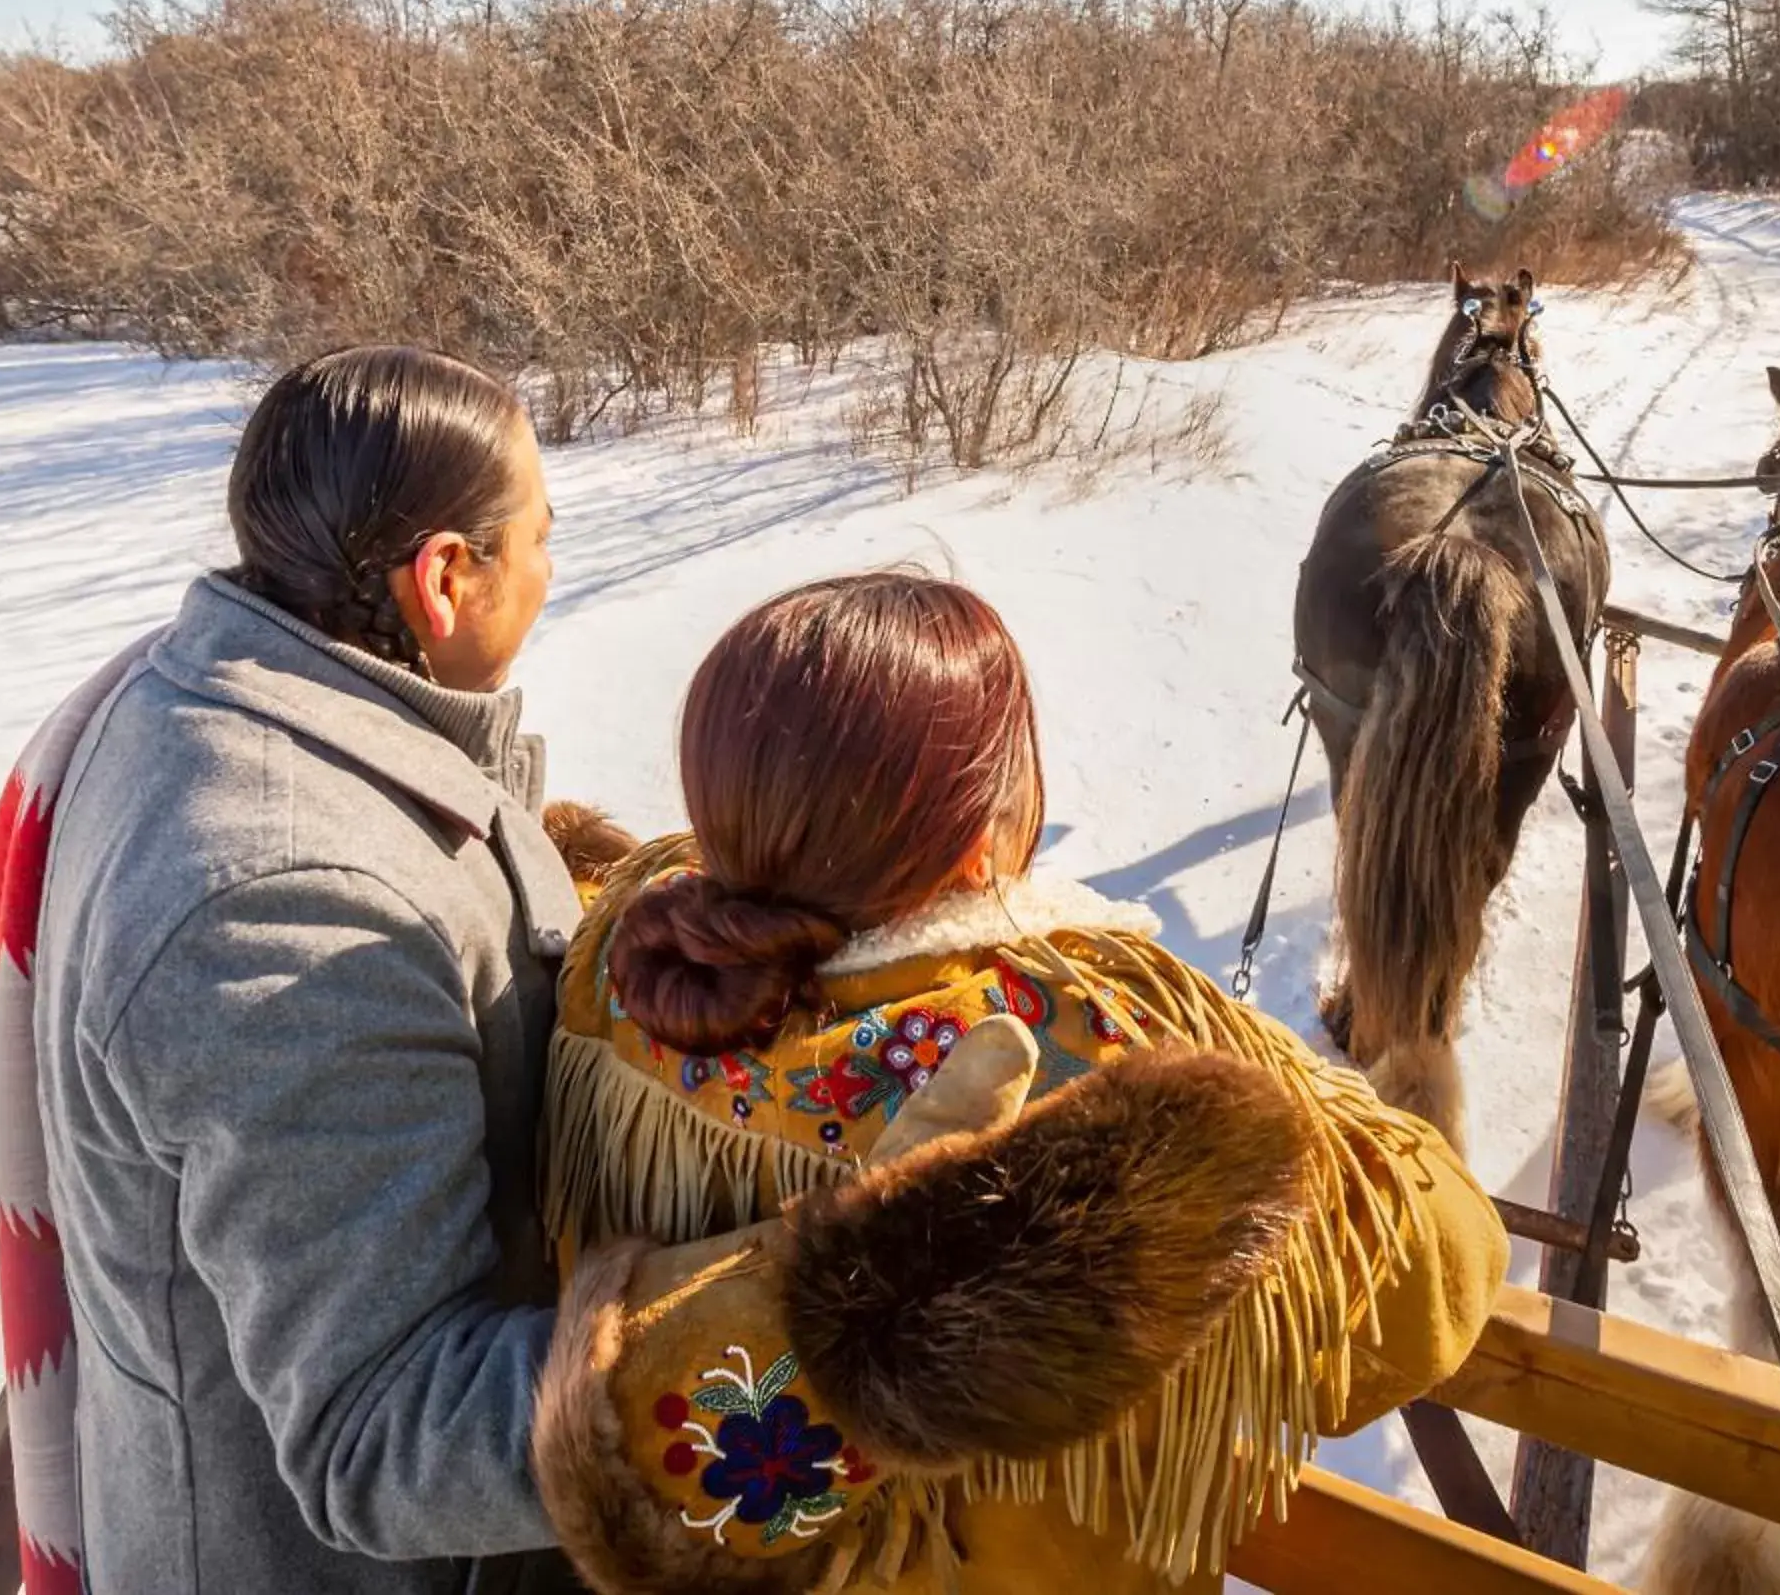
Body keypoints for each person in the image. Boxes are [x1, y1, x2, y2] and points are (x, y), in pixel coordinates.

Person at [0, 347, 1305, 1595]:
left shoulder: (239, 703)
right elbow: (383, 1438)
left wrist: (552, 898)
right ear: (445, 579)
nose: (556, 567)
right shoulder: (287, 911)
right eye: (546, 534)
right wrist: (865, 1327)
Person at [535, 570, 1510, 1594]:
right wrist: (1320, 1098)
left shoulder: (620, 971)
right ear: (977, 842)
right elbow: (1435, 1276)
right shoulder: (1086, 1039)